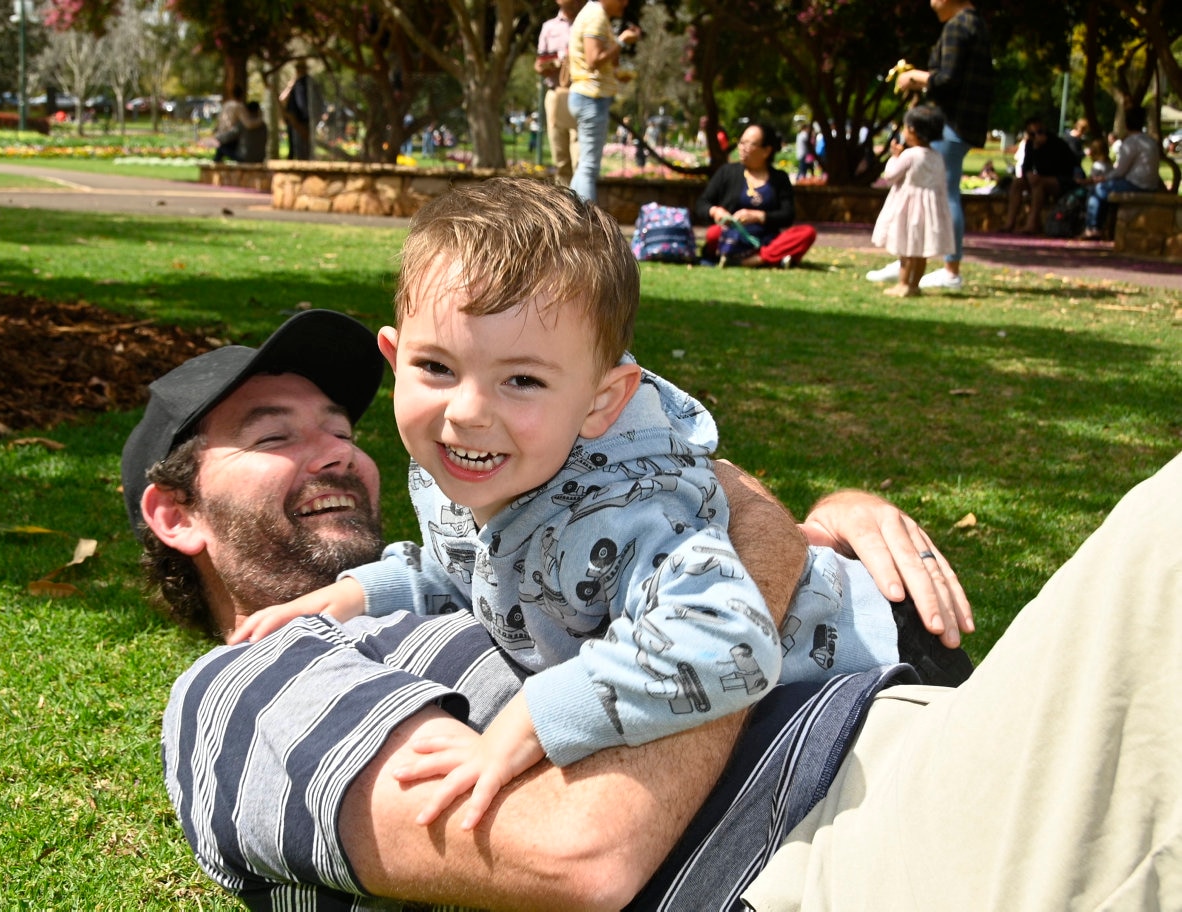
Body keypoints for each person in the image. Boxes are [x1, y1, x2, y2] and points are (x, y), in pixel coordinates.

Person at [143, 313, 1182, 910]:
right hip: (810, 855)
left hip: (910, 748)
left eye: (338, 425)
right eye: (273, 434)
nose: (334, 449)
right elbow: (576, 850)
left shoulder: (467, 557)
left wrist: (820, 524)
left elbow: (676, 535)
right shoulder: (241, 689)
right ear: (175, 514)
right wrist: (759, 552)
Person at [229, 179, 937, 831]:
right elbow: (464, 568)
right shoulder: (460, 472)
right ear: (395, 356)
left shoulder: (625, 511)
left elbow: (730, 640)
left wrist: (533, 719)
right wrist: (355, 593)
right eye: (437, 367)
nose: (468, 412)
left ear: (602, 400)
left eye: (524, 381)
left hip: (881, 665)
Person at [877, 0, 993, 291]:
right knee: (940, 192)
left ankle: (948, 270)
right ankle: (910, 258)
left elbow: (948, 80)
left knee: (940, 191)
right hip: (965, 121)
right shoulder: (975, 23)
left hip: (951, 122)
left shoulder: (957, 26)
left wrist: (914, 77)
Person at [694, 121, 818, 268]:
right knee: (713, 233)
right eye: (741, 143)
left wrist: (758, 216)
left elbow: (787, 215)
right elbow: (702, 203)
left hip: (764, 239)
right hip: (730, 236)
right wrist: (715, 211)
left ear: (766, 150)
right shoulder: (727, 172)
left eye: (750, 144)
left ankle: (756, 259)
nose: (743, 148)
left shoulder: (779, 178)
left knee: (807, 233)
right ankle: (775, 258)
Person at [871, 105, 955, 298]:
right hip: (930, 207)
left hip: (909, 207)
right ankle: (915, 285)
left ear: (912, 130)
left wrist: (894, 157)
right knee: (920, 251)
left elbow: (891, 175)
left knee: (906, 250)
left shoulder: (910, 155)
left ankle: (903, 284)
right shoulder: (936, 156)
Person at [566, 0, 641, 203]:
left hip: (589, 97)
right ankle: (587, 226)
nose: (625, 3)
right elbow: (594, 59)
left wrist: (617, 69)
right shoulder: (595, 17)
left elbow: (603, 60)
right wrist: (622, 41)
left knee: (585, 166)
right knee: (589, 167)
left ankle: (574, 217)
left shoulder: (596, 16)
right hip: (591, 98)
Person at [1082, 106, 1165, 240]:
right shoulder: (1150, 141)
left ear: (1127, 124)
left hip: (1136, 184)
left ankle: (1093, 228)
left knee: (1098, 189)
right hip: (1151, 184)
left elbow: (1120, 171)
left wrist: (1103, 178)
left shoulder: (1130, 142)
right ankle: (1099, 227)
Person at [999, 115, 1079, 235]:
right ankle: (1010, 222)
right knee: (1017, 183)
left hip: (1060, 180)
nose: (1036, 136)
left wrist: (1038, 150)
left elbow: (1054, 167)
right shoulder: (1030, 145)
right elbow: (1026, 165)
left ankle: (1031, 224)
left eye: (1039, 132)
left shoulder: (1057, 143)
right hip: (1038, 180)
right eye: (1032, 134)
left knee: (1039, 183)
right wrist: (1029, 173)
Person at [535, 0, 584, 187]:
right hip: (556, 94)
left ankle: (583, 206)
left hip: (582, 94)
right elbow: (539, 64)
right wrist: (555, 63)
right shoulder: (549, 27)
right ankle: (565, 207)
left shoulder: (587, 23)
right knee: (561, 158)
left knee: (581, 157)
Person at [280, 62, 316, 160]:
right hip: (294, 119)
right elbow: (282, 98)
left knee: (302, 147)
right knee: (295, 147)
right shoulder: (296, 82)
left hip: (300, 120)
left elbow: (302, 103)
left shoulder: (305, 82)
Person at [213, 100, 268, 165]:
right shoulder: (263, 125)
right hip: (260, 158)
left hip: (245, 158)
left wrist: (216, 137)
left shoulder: (243, 124)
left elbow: (229, 136)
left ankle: (215, 166)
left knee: (221, 147)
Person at [212, 85, 247, 162]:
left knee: (219, 155)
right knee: (233, 154)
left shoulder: (226, 105)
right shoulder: (239, 106)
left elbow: (219, 119)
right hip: (230, 135)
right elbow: (246, 122)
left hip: (221, 134)